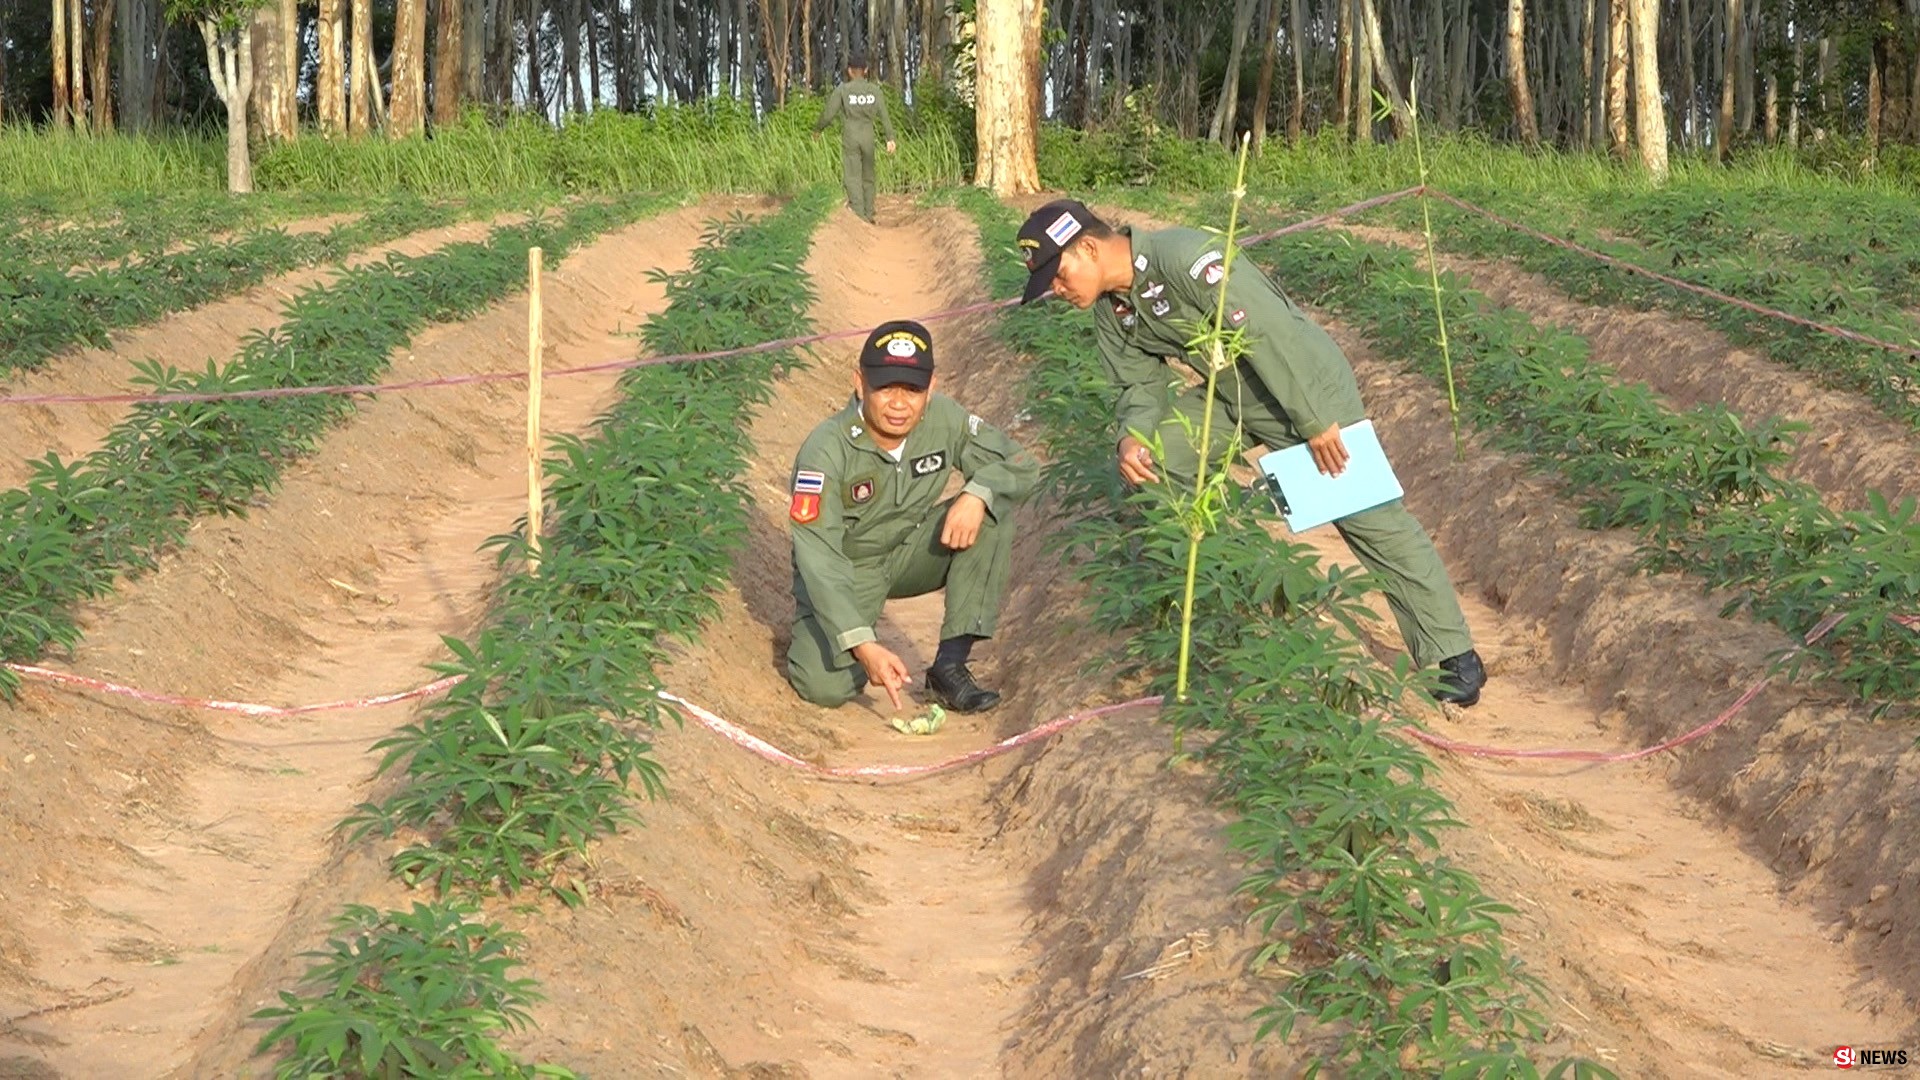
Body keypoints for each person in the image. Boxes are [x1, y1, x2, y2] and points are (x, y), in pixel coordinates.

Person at [1014, 198, 1487, 707]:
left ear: (1087, 247)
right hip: (1233, 394)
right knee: (1151, 460)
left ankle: (1451, 654)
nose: (1057, 291)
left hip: (1304, 385)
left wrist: (1313, 420)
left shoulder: (1184, 256)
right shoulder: (1113, 311)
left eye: (1059, 277)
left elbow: (1267, 332)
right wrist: (1132, 436)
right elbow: (1138, 387)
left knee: (1367, 518)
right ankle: (1187, 593)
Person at [786, 319, 1039, 714]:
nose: (899, 403)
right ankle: (848, 640)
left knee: (990, 510)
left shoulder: (944, 419)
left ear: (931, 387)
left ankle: (949, 667)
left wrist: (976, 493)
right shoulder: (825, 450)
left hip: (908, 553)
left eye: (913, 389)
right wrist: (863, 646)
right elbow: (819, 558)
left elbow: (1022, 464)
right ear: (860, 382)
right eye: (885, 388)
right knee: (822, 686)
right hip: (848, 570)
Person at [812, 51, 897, 224]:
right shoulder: (874, 91)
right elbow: (884, 116)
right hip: (868, 135)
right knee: (868, 174)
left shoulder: (843, 90)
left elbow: (829, 114)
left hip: (851, 134)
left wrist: (818, 129)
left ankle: (858, 214)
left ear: (849, 71)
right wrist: (890, 137)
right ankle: (869, 212)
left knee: (852, 175)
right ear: (865, 70)